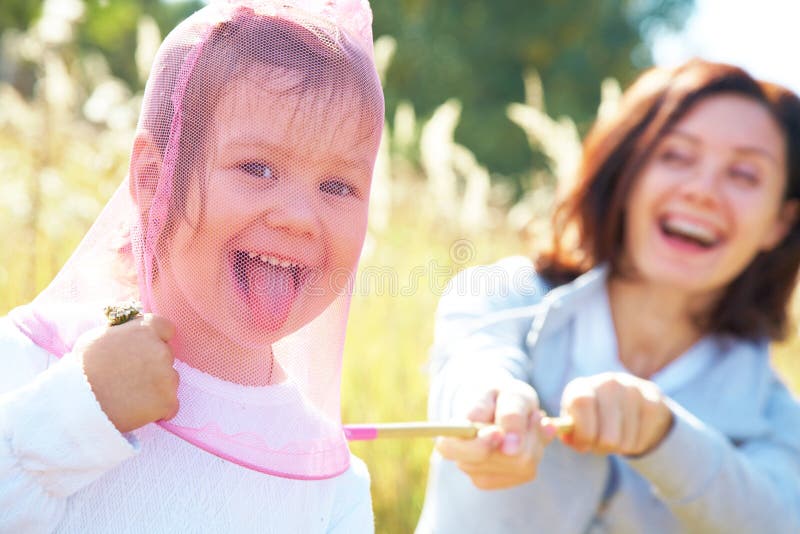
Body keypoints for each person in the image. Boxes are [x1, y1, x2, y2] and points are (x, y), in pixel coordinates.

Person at [0, 1, 384, 532]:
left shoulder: (329, 481)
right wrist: (76, 413)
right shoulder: (37, 362)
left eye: (338, 185)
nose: (300, 218)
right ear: (154, 177)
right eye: (257, 168)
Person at [416, 59, 800, 533]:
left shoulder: (775, 414)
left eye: (744, 174)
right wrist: (492, 408)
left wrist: (664, 436)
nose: (702, 191)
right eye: (676, 156)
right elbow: (473, 366)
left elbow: (776, 520)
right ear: (628, 172)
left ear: (780, 222)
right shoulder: (504, 294)